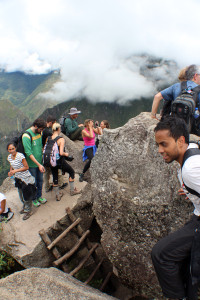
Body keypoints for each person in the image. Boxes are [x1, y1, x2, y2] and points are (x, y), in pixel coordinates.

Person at [151, 116, 200, 299]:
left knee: (161, 255)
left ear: (180, 141)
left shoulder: (191, 169)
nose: (160, 150)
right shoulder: (192, 150)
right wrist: (191, 190)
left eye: (164, 144)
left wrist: (191, 182)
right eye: (158, 145)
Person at [50, 123, 81, 199]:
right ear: (58, 129)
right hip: (60, 161)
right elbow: (61, 152)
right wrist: (66, 154)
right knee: (71, 172)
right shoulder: (61, 139)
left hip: (52, 161)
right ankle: (72, 191)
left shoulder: (49, 138)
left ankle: (57, 195)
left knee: (55, 177)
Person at [7, 142, 36, 220]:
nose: (11, 150)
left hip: (25, 178)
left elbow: (26, 167)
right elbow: (11, 165)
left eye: (12, 148)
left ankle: (29, 211)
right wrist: (11, 171)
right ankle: (25, 207)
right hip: (18, 178)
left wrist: (15, 171)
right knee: (20, 195)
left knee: (26, 195)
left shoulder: (20, 156)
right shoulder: (9, 157)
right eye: (9, 149)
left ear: (15, 148)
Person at [22, 118, 47, 207]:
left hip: (40, 162)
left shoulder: (39, 132)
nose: (42, 131)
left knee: (40, 181)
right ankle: (34, 199)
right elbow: (28, 153)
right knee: (33, 183)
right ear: (36, 126)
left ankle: (39, 196)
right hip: (32, 165)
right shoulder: (26, 136)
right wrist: (38, 164)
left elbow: (40, 146)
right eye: (41, 129)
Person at [42, 115, 68, 192]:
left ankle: (46, 187)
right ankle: (60, 184)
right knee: (57, 168)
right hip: (51, 152)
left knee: (46, 171)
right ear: (50, 123)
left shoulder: (43, 130)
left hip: (44, 152)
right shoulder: (49, 133)